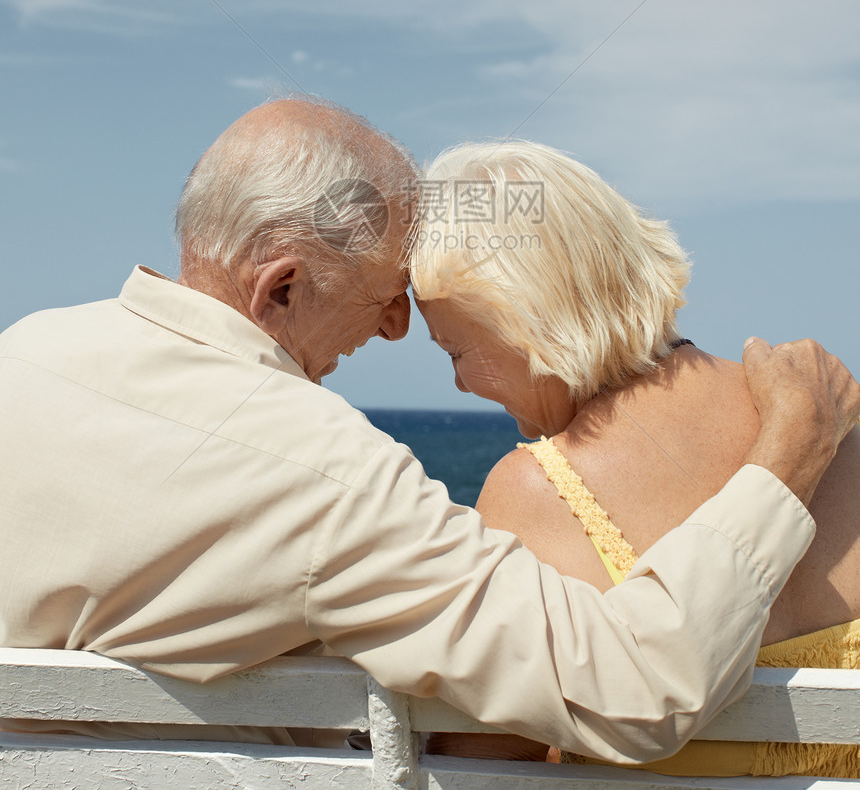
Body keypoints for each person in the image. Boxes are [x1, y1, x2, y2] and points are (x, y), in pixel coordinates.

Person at [0, 101, 857, 762]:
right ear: (285, 287)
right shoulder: (324, 471)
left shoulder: (23, 354)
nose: (395, 334)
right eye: (385, 300)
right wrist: (789, 452)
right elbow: (638, 687)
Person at [410, 138, 860, 776]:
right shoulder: (828, 420)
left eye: (455, 350)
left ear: (526, 319)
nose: (458, 384)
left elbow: (482, 767)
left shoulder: (538, 491)